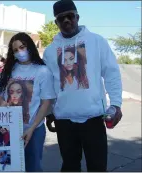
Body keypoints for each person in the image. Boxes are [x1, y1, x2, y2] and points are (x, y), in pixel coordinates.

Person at [43, 0, 123, 172]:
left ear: (77, 17)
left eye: (70, 16)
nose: (66, 21)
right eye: (61, 18)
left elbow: (111, 73)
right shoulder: (50, 51)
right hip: (64, 121)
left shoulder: (97, 41)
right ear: (56, 23)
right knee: (70, 167)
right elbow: (48, 86)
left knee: (97, 167)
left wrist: (115, 104)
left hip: (93, 119)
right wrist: (49, 114)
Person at [0, 32, 55, 171]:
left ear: (30, 47)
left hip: (34, 130)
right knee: (7, 167)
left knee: (33, 167)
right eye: (15, 50)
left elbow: (46, 102)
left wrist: (32, 128)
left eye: (22, 47)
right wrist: (3, 103)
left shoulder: (43, 71)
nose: (20, 52)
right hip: (8, 129)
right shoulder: (7, 71)